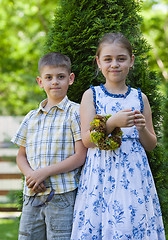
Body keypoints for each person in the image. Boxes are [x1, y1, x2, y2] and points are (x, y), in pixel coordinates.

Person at [70, 33, 165, 239]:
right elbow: (87, 140)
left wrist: (141, 129)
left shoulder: (140, 98)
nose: (115, 64)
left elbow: (150, 144)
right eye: (108, 59)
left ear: (131, 61)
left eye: (121, 59)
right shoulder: (92, 95)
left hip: (134, 174)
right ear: (98, 62)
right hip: (101, 174)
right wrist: (112, 122)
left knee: (132, 222)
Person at [11, 52, 87, 240]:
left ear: (70, 79)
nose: (54, 82)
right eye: (49, 78)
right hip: (32, 194)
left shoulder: (75, 113)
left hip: (62, 194)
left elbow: (80, 156)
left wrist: (44, 172)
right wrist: (31, 175)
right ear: (40, 82)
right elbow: (21, 155)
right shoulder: (31, 117)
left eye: (60, 77)